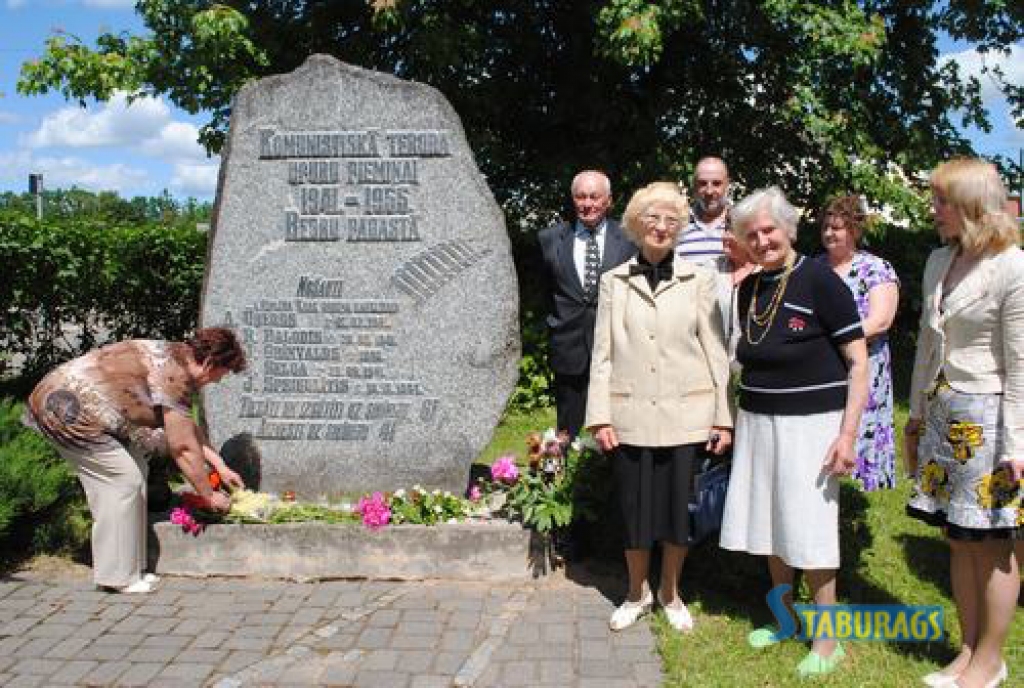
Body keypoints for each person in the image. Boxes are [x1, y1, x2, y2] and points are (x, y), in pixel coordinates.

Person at [719, 187, 868, 678]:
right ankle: (785, 621)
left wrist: (846, 436)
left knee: (810, 529)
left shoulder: (821, 279)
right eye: (752, 234)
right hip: (760, 422)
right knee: (769, 524)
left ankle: (828, 643)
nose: (762, 241)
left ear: (789, 230)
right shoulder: (748, 289)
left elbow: (858, 364)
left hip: (813, 427)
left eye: (770, 231)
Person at [585, 182, 733, 632]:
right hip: (629, 414)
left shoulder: (699, 278)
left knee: (676, 512)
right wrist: (600, 415)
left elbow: (715, 350)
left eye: (671, 220)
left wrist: (723, 418)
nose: (662, 227)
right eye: (653, 219)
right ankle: (636, 592)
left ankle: (670, 592)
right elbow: (602, 352)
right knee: (633, 511)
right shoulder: (615, 281)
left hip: (686, 415)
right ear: (636, 225)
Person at [904, 158, 1022, 688]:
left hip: (991, 421)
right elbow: (928, 345)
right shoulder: (937, 260)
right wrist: (915, 415)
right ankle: (967, 650)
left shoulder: (1012, 266)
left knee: (992, 541)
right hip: (943, 415)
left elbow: (1021, 363)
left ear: (974, 202)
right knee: (957, 538)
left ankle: (991, 662)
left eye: (942, 201)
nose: (934, 210)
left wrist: (1018, 445)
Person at [22, 327, 247, 593]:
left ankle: (132, 567)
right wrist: (209, 496)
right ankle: (117, 578)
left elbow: (185, 427)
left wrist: (219, 465)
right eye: (220, 375)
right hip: (65, 410)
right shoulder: (176, 376)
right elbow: (183, 448)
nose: (218, 381)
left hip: (76, 404)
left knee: (136, 472)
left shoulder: (178, 356)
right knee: (123, 481)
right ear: (210, 363)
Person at [539, 170, 636, 440]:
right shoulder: (550, 239)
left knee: (615, 425)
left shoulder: (629, 240)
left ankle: (606, 476)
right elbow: (547, 291)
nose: (587, 203)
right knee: (567, 427)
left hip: (616, 346)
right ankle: (563, 473)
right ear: (573, 200)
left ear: (609, 201)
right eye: (581, 196)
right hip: (568, 344)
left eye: (594, 197)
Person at [816, 195, 900, 490]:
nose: (829, 233)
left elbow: (880, 321)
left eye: (837, 228)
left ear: (854, 230)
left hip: (864, 365)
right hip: (821, 366)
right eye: (825, 227)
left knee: (859, 430)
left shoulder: (875, 268)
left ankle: (851, 494)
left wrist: (832, 336)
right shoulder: (815, 268)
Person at [675, 156, 732, 265]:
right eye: (703, 183)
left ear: (727, 185)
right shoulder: (677, 223)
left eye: (716, 183)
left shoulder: (740, 224)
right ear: (694, 186)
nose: (709, 191)